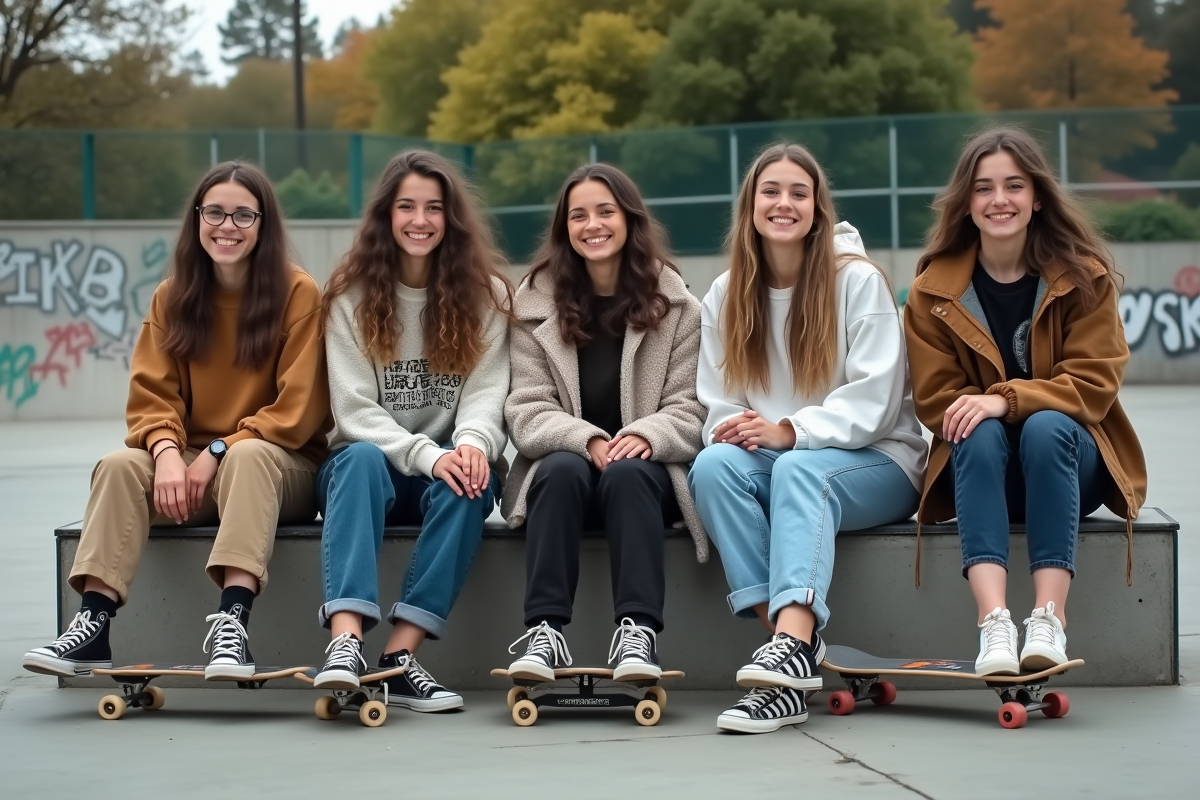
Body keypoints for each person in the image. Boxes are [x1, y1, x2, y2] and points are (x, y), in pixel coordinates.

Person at [23, 161, 330, 679]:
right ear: (197, 218)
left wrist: (216, 452)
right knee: (119, 466)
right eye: (215, 212)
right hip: (193, 469)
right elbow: (152, 396)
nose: (227, 226)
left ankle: (233, 627)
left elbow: (298, 410)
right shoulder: (172, 295)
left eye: (243, 215)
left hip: (281, 467)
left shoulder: (299, 294)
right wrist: (166, 451)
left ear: (264, 224)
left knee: (249, 457)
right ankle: (93, 626)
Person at [688, 143, 926, 734]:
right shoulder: (726, 292)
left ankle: (789, 649)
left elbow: (875, 401)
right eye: (770, 191)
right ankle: (790, 648)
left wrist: (791, 430)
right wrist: (739, 431)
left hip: (879, 461)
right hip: (782, 460)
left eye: (799, 193)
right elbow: (718, 401)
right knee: (712, 468)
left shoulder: (857, 281)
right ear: (750, 206)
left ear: (818, 209)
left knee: (799, 468)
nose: (784, 204)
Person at [904, 127, 1146, 676]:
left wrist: (1005, 400)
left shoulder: (1083, 279)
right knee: (976, 428)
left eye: (1014, 186)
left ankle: (1048, 618)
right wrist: (987, 411)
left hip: (1069, 467)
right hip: (980, 472)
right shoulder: (933, 291)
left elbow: (1093, 382)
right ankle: (993, 623)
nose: (1000, 200)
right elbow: (937, 399)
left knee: (1046, 427)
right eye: (984, 188)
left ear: (1037, 196)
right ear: (967, 202)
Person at [312, 150, 512, 712]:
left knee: (473, 480)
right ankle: (345, 645)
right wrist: (427, 454)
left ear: (452, 217)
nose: (420, 220)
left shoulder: (487, 296)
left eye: (434, 207)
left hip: (443, 470)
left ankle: (399, 659)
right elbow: (354, 410)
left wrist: (469, 447)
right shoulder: (349, 297)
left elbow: (487, 394)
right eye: (406, 206)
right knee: (359, 459)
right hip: (366, 471)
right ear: (386, 214)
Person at [503, 163, 706, 682]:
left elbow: (691, 408)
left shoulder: (677, 306)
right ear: (564, 227)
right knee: (560, 469)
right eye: (578, 216)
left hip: (644, 481)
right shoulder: (534, 304)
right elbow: (526, 409)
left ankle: (638, 635)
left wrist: (644, 436)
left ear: (629, 219)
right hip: (565, 478)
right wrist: (587, 439)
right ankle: (545, 633)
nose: (592, 225)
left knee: (628, 473)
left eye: (605, 212)